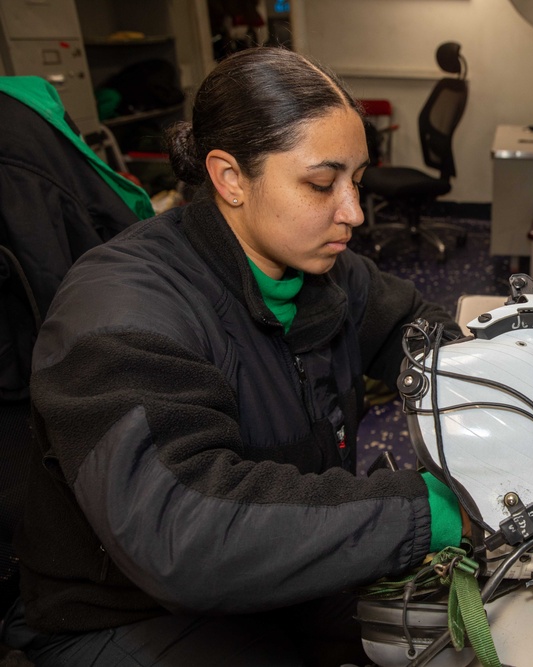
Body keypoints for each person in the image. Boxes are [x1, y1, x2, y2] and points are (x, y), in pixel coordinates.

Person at [1, 47, 466, 666]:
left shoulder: (325, 270)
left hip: (261, 574)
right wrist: (429, 508)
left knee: (452, 638)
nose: (352, 212)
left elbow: (416, 328)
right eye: (322, 184)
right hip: (127, 609)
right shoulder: (121, 310)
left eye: (355, 181)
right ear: (228, 177)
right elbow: (182, 532)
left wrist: (513, 374)